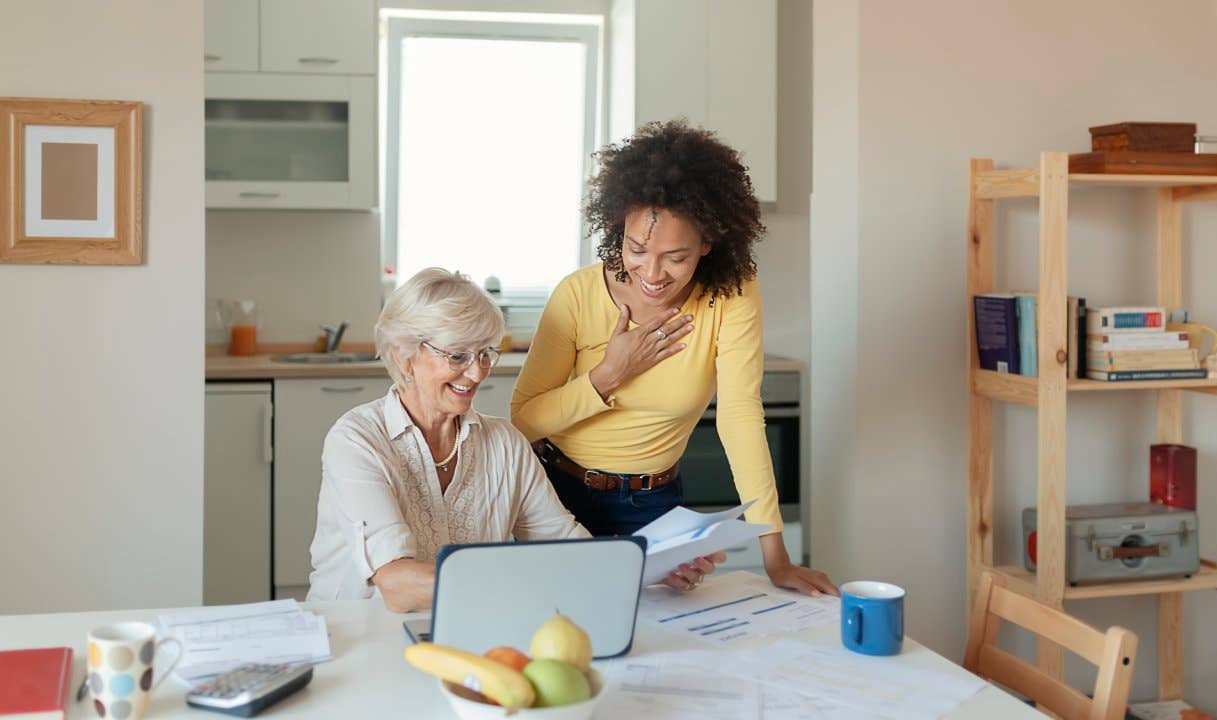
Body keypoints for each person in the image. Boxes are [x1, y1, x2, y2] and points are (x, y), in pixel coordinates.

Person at [511, 120, 838, 597]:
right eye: (636, 249)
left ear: (707, 245)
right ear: (617, 225)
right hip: (557, 500)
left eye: (676, 257)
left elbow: (740, 417)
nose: (652, 272)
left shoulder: (731, 294)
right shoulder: (578, 295)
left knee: (659, 648)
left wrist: (777, 558)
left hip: (656, 511)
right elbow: (521, 420)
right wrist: (608, 375)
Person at [308, 268, 719, 612]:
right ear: (404, 355)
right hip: (353, 637)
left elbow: (567, 547)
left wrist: (651, 566)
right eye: (457, 356)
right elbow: (397, 585)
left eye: (486, 353)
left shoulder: (504, 443)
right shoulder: (358, 440)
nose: (476, 374)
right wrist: (520, 579)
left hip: (463, 630)